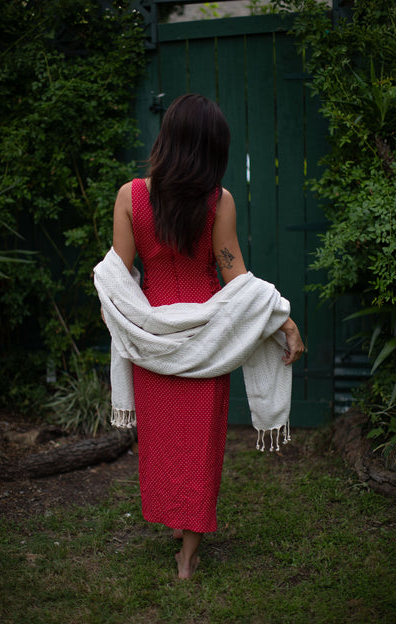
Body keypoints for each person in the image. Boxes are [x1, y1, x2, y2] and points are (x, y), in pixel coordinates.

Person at [109, 93, 304, 579]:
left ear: (168, 138)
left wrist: (131, 321)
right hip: (207, 339)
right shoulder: (218, 202)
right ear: (212, 147)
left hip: (152, 341)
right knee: (199, 446)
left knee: (163, 441)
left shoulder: (130, 196)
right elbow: (236, 278)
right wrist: (282, 317)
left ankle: (178, 528)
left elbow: (119, 277)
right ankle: (188, 557)